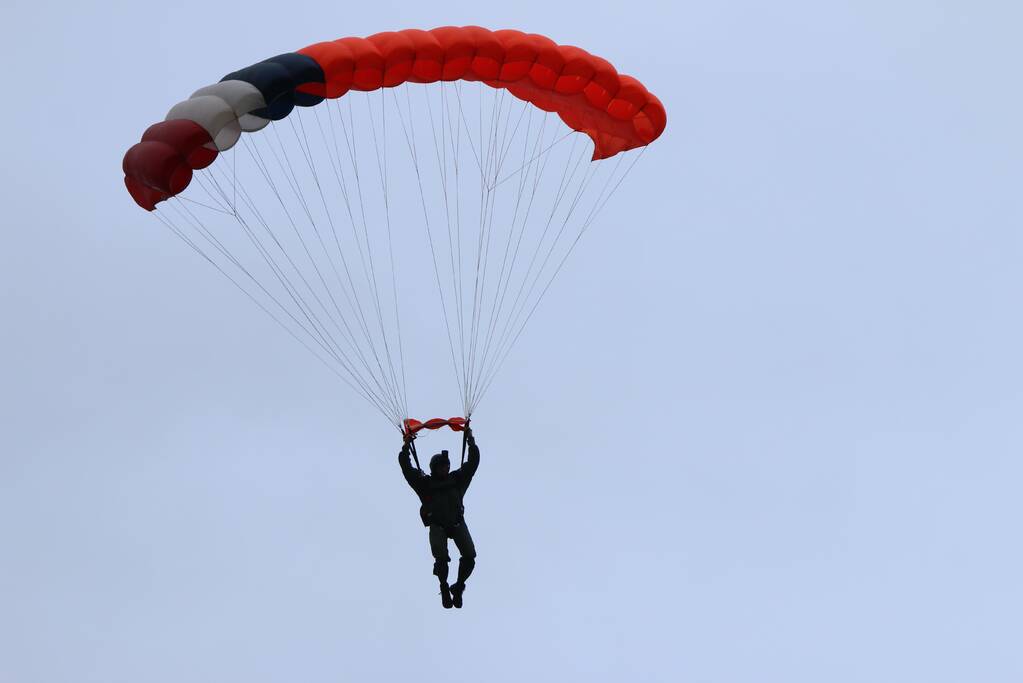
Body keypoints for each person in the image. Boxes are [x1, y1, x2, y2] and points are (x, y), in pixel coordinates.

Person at [398, 425, 480, 608]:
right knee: (441, 559)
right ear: (434, 468)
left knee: (470, 556)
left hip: (458, 523)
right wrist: (406, 446)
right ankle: (444, 587)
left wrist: (470, 439)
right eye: (441, 467)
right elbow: (406, 468)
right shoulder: (424, 484)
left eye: (446, 466)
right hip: (438, 525)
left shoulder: (457, 480)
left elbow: (473, 462)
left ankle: (458, 587)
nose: (445, 469)